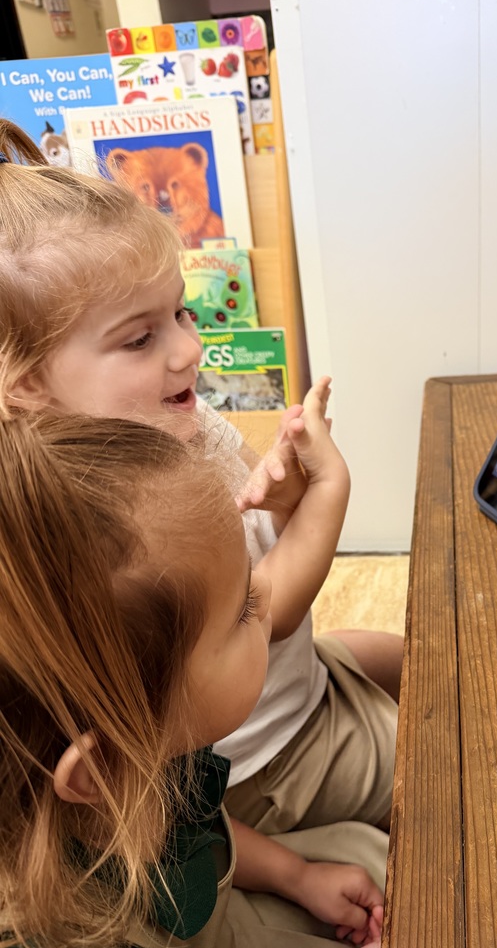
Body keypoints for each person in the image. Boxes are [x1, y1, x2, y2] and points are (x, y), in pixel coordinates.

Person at [0, 117, 400, 871]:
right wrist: (327, 494)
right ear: (27, 384)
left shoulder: (183, 413)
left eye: (180, 312)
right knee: (441, 760)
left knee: (403, 654)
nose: (189, 347)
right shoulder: (103, 526)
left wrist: (282, 496)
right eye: (138, 337)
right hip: (271, 757)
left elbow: (255, 517)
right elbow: (265, 613)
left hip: (295, 676)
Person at [0, 412, 381, 948]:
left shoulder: (140, 742)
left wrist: (295, 876)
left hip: (227, 922)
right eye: (240, 614)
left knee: (380, 858)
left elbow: (198, 831)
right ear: (100, 769)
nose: (268, 596)